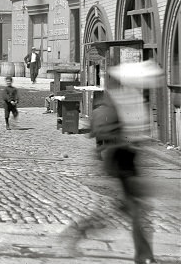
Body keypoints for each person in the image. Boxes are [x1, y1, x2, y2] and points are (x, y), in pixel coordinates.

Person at [62, 94, 155, 264]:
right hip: (120, 167)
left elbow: (96, 134)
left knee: (129, 213)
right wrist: (130, 140)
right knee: (127, 213)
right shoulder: (118, 111)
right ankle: (144, 256)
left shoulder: (114, 109)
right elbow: (118, 136)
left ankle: (144, 256)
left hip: (121, 165)